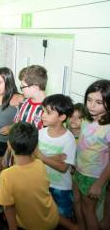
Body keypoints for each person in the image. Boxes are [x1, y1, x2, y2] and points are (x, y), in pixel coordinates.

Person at [0, 122, 59, 230]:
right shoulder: (40, 164)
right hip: (52, 219)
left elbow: (8, 208)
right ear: (35, 146)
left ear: (9, 145)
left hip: (31, 226)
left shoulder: (6, 175)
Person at [74, 79, 110, 230]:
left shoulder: (108, 127)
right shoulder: (87, 120)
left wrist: (99, 184)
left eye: (98, 102)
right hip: (80, 171)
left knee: (89, 211)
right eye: (89, 100)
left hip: (94, 177)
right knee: (81, 206)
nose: (91, 105)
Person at [37, 94, 77, 230]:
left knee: (62, 220)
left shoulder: (68, 139)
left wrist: (42, 157)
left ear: (62, 117)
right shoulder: (40, 133)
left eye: (48, 112)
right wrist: (53, 157)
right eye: (43, 111)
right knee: (43, 217)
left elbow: (63, 167)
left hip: (61, 187)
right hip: (42, 183)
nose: (43, 115)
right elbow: (33, 156)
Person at [0, 67, 24, 170]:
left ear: (8, 83)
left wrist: (12, 127)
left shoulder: (19, 99)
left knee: (11, 173)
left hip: (14, 143)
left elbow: (27, 122)